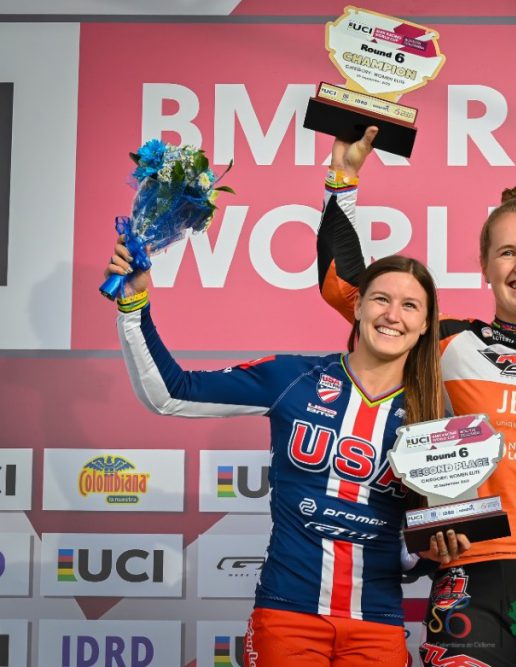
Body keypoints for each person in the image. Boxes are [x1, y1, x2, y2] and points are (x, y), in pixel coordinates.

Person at [317, 128, 516, 666]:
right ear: (485, 265)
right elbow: (350, 290)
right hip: (470, 568)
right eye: (507, 253)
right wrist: (344, 179)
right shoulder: (448, 340)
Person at [105, 241, 470, 667]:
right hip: (287, 616)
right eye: (381, 299)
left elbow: (415, 544)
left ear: (425, 324)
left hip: (377, 622)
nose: (392, 315)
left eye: (409, 305)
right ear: (357, 307)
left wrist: (430, 550)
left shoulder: (435, 418)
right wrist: (134, 305)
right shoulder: (293, 378)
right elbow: (171, 393)